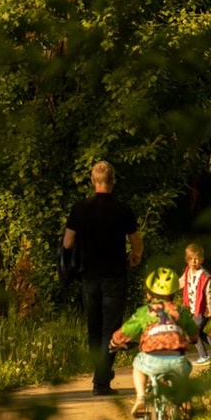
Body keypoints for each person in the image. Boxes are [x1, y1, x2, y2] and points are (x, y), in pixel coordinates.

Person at [64, 160, 144, 396]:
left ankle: (100, 373)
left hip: (89, 275)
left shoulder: (80, 208)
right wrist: (136, 255)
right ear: (113, 182)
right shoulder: (122, 210)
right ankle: (101, 381)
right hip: (115, 276)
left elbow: (68, 242)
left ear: (92, 181)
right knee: (111, 328)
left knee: (94, 327)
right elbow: (136, 240)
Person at [109, 267, 198, 417]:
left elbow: (126, 331)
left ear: (148, 295)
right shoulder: (181, 312)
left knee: (138, 365)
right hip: (177, 360)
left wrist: (114, 342)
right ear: (174, 293)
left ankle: (141, 397)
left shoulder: (145, 312)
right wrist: (193, 338)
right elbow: (194, 333)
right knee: (184, 384)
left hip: (151, 359)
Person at [179, 243, 211, 366]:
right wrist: (167, 289)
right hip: (195, 309)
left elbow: (208, 293)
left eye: (197, 258)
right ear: (187, 260)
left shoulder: (204, 276)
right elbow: (181, 282)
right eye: (191, 259)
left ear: (202, 259)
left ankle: (204, 356)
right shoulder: (188, 270)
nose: (194, 261)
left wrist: (209, 309)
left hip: (203, 309)